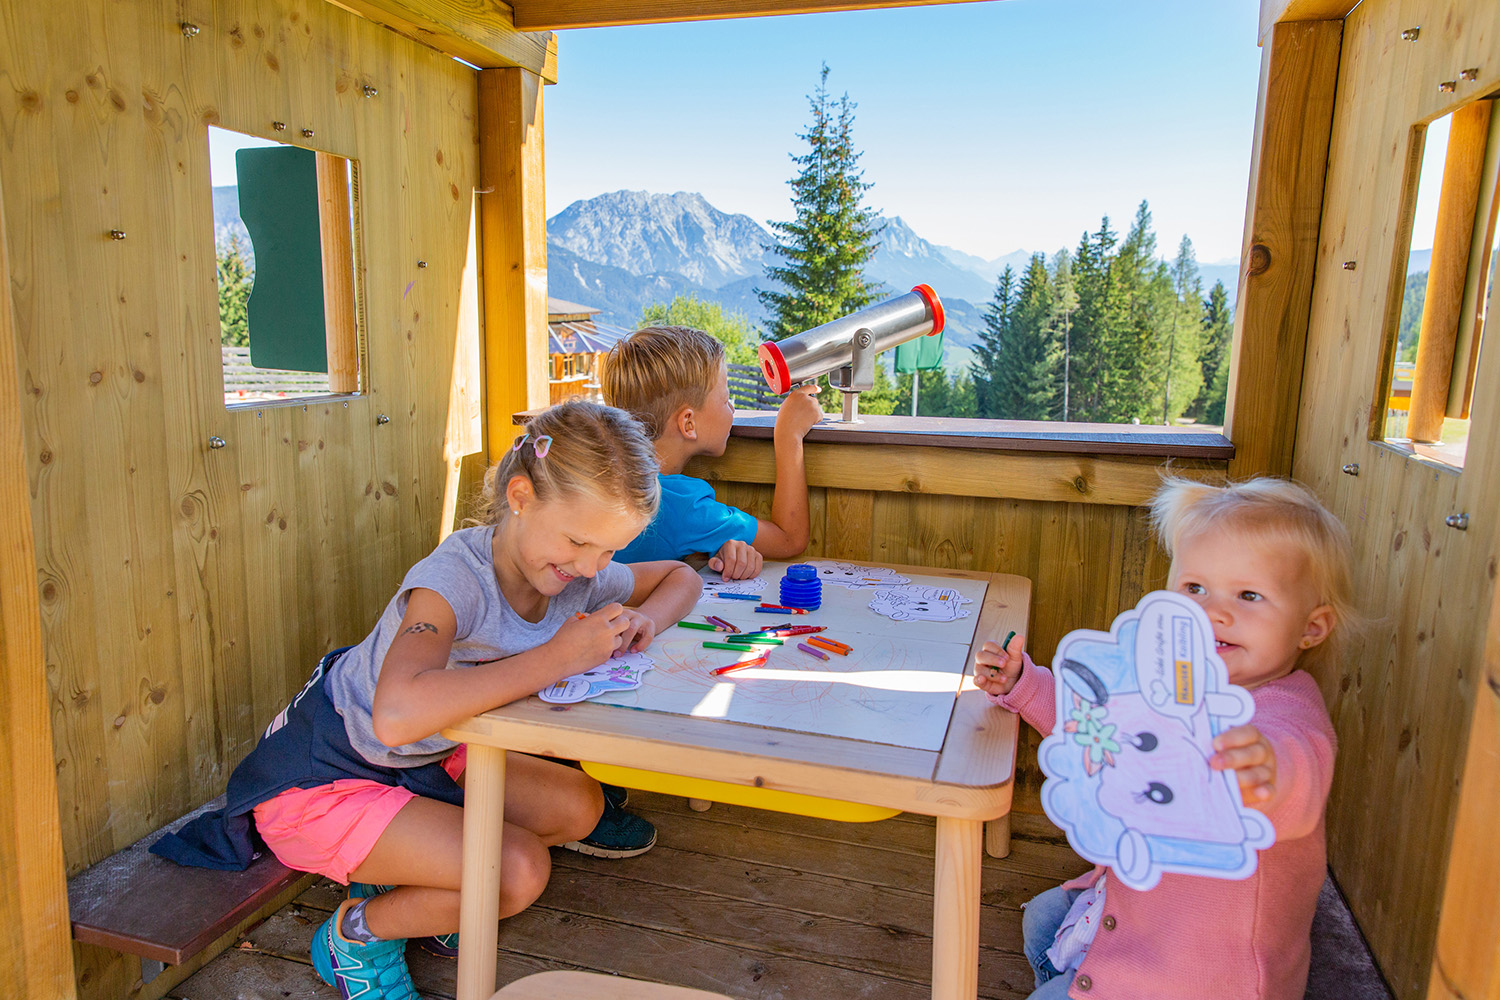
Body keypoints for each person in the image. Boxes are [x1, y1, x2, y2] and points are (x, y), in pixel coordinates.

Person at [153, 401, 702, 1000]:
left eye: (608, 550)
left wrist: (644, 620)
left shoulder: (577, 573)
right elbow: (394, 716)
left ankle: (412, 888)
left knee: (579, 805)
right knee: (516, 874)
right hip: (324, 780)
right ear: (520, 497)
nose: (592, 566)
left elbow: (680, 576)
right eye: (578, 541)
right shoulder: (455, 579)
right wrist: (556, 659)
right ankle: (356, 934)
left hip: (429, 756)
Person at [973, 476, 1359, 1000]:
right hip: (1134, 909)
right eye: (1195, 588)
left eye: (1249, 595)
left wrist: (1264, 770)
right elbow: (1099, 726)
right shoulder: (1171, 677)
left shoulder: (1287, 709)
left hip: (1197, 976)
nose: (1213, 611)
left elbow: (1300, 771)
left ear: (1311, 628)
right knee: (1044, 919)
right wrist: (1025, 684)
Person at [600, 325, 824, 580]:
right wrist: (789, 436)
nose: (732, 408)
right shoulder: (680, 503)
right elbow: (789, 539)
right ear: (688, 424)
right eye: (726, 398)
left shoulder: (600, 476)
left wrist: (711, 546)